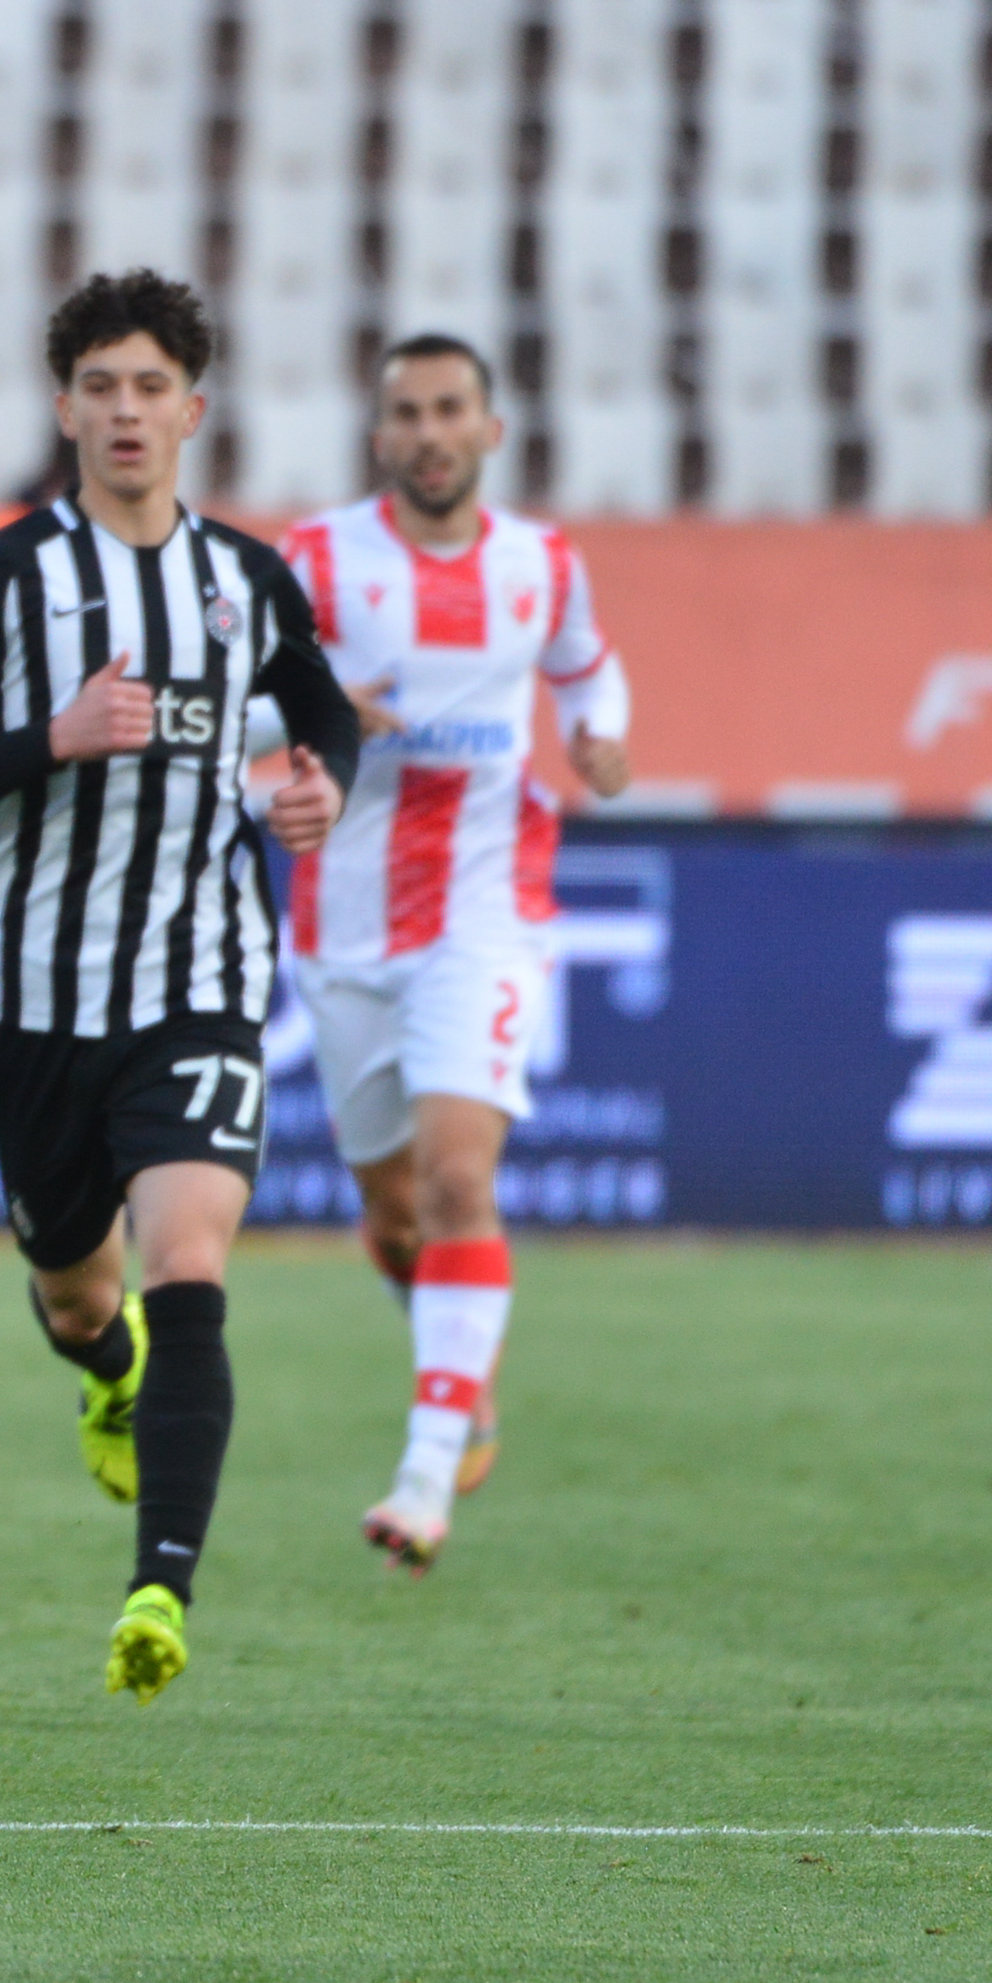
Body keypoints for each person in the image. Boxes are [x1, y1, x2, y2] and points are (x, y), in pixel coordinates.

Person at [0, 268, 362, 1705]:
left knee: (190, 1266)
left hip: (201, 979)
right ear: (65, 406)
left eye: (153, 387)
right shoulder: (4, 578)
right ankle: (103, 1372)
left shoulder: (243, 578)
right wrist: (56, 735)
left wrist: (320, 776)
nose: (127, 410)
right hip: (38, 997)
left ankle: (162, 1582)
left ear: (194, 410)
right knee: (78, 1295)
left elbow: (321, 697)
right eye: (101, 385)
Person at [279, 335, 634, 1574]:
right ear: (381, 437)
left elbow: (589, 668)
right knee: (389, 1218)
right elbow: (243, 692)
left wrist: (601, 736)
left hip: (488, 912)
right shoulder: (316, 557)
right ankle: (453, 1358)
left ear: (491, 429)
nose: (430, 431)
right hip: (344, 922)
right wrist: (320, 711)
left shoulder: (543, 563)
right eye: (407, 413)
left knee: (455, 1184)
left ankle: (425, 1477)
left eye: (451, 409)